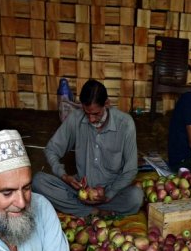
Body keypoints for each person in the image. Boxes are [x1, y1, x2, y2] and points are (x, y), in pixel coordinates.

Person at [32, 79, 143, 218]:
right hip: (79, 193)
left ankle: (81, 210)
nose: (91, 119)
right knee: (38, 181)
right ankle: (92, 212)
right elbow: (51, 149)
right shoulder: (75, 119)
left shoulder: (125, 124)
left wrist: (108, 195)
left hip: (110, 194)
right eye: (87, 112)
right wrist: (64, 176)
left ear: (107, 104)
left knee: (136, 197)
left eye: (95, 114)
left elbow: (130, 170)